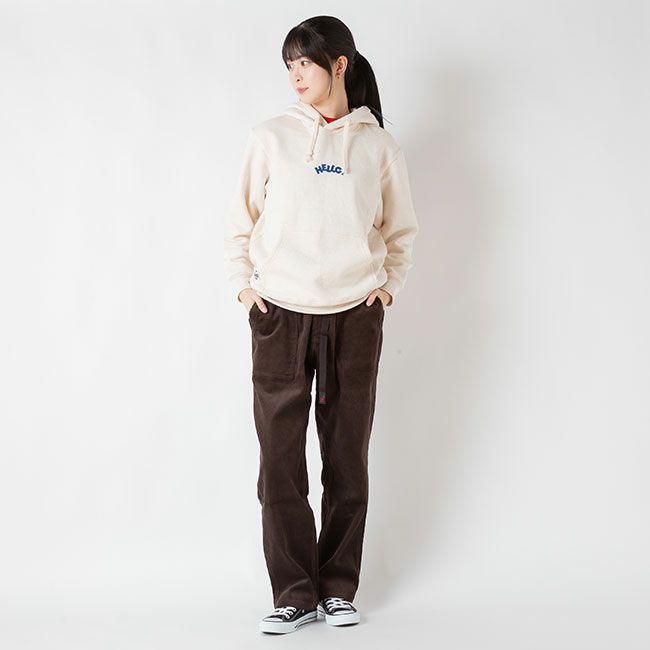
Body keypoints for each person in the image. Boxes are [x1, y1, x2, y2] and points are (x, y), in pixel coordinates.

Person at [223, 15, 419, 635]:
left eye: (305, 62)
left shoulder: (378, 146)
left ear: (340, 64)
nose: (295, 75)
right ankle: (293, 592)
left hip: (354, 316)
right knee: (279, 462)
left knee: (346, 459)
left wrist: (386, 291)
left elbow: (400, 231)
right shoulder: (270, 137)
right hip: (279, 315)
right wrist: (245, 289)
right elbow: (239, 223)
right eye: (289, 64)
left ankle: (337, 589)